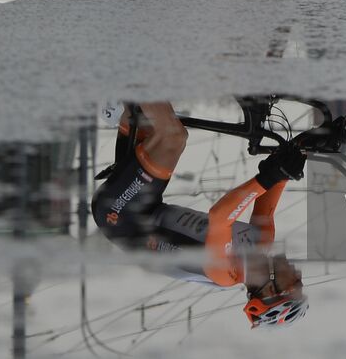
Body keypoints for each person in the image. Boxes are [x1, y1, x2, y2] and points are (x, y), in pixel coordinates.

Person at [91, 102, 310, 329]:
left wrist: (269, 176)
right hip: (146, 205)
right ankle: (119, 102)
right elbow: (275, 183)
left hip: (119, 216)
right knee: (142, 118)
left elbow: (221, 217)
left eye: (296, 282)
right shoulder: (262, 241)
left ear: (271, 290)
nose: (299, 273)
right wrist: (304, 147)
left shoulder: (225, 273)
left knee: (172, 138)